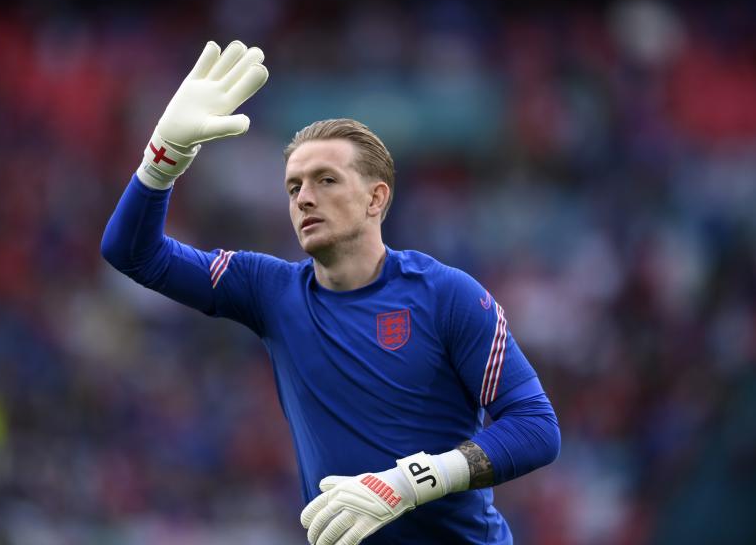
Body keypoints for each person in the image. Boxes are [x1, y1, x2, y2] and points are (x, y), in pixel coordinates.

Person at [101, 40, 560, 545]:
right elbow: (133, 253)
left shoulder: (446, 294)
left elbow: (536, 427)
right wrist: (164, 154)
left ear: (375, 198)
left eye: (325, 180)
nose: (305, 197)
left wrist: (410, 482)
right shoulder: (268, 289)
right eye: (293, 186)